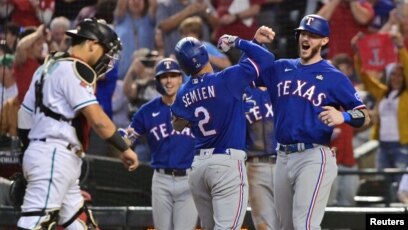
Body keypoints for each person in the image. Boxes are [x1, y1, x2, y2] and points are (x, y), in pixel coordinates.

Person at [16, 18, 139, 229]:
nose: (107, 59)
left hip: (51, 154)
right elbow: (98, 119)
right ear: (92, 44)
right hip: (54, 154)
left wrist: (31, 155)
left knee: (80, 223)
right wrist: (124, 148)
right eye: (105, 50)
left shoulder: (46, 68)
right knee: (35, 223)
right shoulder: (74, 69)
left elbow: (24, 117)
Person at [256, 14, 371, 229]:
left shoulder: (334, 76)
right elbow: (247, 74)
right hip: (282, 156)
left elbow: (365, 116)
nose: (305, 38)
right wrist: (255, 44)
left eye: (313, 35)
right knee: (286, 226)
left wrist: (343, 116)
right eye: (303, 34)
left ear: (324, 41)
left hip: (313, 156)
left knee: (305, 224)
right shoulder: (281, 68)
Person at [171, 27, 275, 229]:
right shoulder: (226, 79)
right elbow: (267, 59)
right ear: (204, 53)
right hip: (226, 163)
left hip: (198, 166)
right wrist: (238, 41)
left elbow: (177, 125)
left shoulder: (183, 92)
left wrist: (255, 40)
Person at [125, 58, 198, 230]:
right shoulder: (147, 110)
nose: (169, 80)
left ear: (180, 78)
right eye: (164, 76)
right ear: (157, 81)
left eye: (173, 75)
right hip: (161, 180)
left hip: (189, 179)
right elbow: (130, 137)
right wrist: (120, 139)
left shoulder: (194, 106)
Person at [244, 85, 279, 230]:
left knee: (292, 222)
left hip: (285, 162)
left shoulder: (281, 87)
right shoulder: (242, 91)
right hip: (255, 165)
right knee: (264, 226)